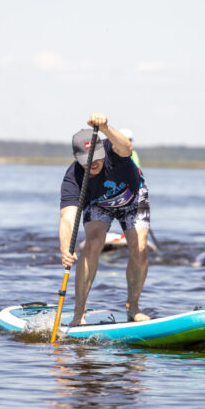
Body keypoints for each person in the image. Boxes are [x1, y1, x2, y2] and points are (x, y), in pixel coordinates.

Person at [60, 114, 151, 325]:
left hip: (133, 197)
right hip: (99, 204)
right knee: (92, 244)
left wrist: (106, 127)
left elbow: (127, 147)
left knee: (139, 247)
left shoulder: (113, 148)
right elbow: (67, 217)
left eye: (97, 158)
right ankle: (79, 314)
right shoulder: (72, 178)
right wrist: (65, 248)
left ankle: (133, 307)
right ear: (75, 156)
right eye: (87, 160)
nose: (94, 163)